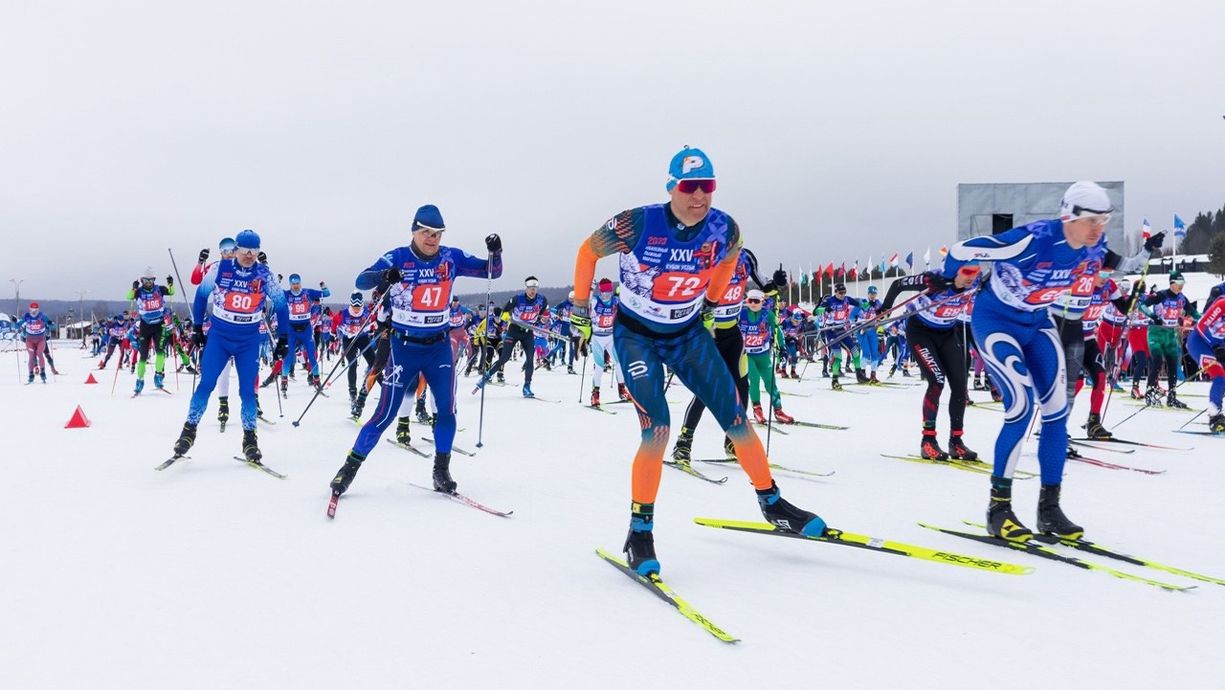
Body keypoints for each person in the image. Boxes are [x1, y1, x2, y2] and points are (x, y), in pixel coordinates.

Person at [570, 146, 824, 576]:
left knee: (735, 417)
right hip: (637, 337)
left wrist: (710, 302)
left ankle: (772, 502)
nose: (699, 196)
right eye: (690, 187)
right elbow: (587, 251)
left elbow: (730, 259)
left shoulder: (725, 228)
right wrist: (580, 307)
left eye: (707, 186)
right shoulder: (637, 222)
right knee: (658, 428)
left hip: (687, 334)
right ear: (672, 187)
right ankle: (640, 531)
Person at [945, 180, 1163, 542]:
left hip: (1037, 322)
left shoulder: (1095, 249)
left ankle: (1049, 509)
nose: (1099, 228)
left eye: (1104, 219)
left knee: (1057, 411)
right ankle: (999, 509)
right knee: (1021, 406)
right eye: (1092, 219)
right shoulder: (1032, 239)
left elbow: (1121, 264)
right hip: (997, 321)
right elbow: (962, 249)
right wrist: (953, 277)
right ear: (1069, 216)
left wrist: (1149, 251)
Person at [329, 205, 502, 500]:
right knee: (384, 414)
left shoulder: (451, 258)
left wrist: (495, 252)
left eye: (436, 234)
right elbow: (362, 280)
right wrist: (386, 275)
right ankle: (349, 468)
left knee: (446, 409)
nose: (432, 239)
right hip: (403, 347)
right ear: (414, 231)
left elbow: (492, 273)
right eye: (426, 233)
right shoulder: (398, 257)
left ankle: (441, 469)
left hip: (438, 349)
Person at [171, 229, 289, 463]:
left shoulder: (264, 274)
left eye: (254, 251)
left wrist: (283, 338)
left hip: (248, 340)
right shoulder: (219, 269)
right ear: (235, 249)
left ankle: (250, 439)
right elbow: (201, 296)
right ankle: (188, 431)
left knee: (247, 391)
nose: (249, 255)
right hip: (220, 337)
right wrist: (196, 328)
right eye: (245, 250)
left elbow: (282, 305)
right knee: (206, 384)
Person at [670, 248, 780, 462]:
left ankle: (733, 440)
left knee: (741, 387)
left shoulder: (746, 257)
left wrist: (777, 283)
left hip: (733, 334)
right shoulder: (703, 257)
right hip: (707, 335)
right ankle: (683, 443)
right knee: (706, 391)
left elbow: (766, 286)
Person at [880, 265, 981, 460]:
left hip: (948, 333)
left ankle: (956, 442)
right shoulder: (934, 279)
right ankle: (928, 441)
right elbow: (897, 284)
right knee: (937, 381)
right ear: (956, 270)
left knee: (960, 385)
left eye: (975, 272)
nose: (971, 277)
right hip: (921, 332)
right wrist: (885, 308)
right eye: (966, 272)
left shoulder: (977, 283)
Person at [475, 276, 547, 397]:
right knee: (505, 358)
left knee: (530, 359)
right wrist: (509, 319)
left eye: (535, 288)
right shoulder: (517, 299)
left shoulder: (542, 300)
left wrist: (539, 320)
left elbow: (540, 314)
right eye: (530, 288)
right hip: (514, 330)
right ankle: (487, 375)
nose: (532, 291)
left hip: (527, 332)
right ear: (526, 288)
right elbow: (504, 311)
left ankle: (527, 387)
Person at [1139, 272, 1199, 408]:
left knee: (1173, 364)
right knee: (1157, 361)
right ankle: (1150, 393)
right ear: (1172, 283)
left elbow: (1193, 312)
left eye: (1182, 285)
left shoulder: (1182, 298)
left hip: (1170, 333)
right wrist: (1153, 316)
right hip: (1156, 332)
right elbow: (1142, 306)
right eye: (1179, 284)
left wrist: (1205, 319)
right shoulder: (1161, 295)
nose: (1181, 287)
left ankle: (1172, 396)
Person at [740, 289, 795, 424]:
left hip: (763, 354)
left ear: (762, 301)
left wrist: (782, 347)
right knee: (754, 380)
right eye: (750, 300)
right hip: (747, 355)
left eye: (756, 301)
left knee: (771, 382)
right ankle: (757, 409)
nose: (752, 304)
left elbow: (778, 331)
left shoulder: (767, 313)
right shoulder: (741, 313)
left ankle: (778, 410)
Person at [127, 268, 176, 395]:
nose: (148, 282)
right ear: (142, 280)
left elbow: (171, 292)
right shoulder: (139, 292)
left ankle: (158, 376)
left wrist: (171, 284)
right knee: (143, 356)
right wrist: (133, 288)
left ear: (154, 280)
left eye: (150, 280)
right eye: (145, 280)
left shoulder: (159, 289)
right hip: (145, 326)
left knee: (160, 352)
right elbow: (129, 297)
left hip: (159, 325)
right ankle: (140, 380)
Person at [280, 274, 330, 393]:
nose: (296, 286)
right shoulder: (287, 294)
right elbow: (273, 293)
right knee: (288, 356)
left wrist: (323, 286)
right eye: (293, 284)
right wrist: (277, 280)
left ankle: (316, 379)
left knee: (312, 356)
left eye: (297, 283)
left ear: (300, 283)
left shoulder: (308, 293)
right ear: (290, 284)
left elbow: (327, 294)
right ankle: (284, 380)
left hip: (306, 329)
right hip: (292, 330)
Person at [1187, 295, 1225, 433]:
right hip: (1199, 343)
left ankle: (1217, 407)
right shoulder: (1222, 304)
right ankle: (1214, 416)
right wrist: (1216, 348)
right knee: (1220, 376)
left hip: (1218, 346)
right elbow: (1202, 325)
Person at [817, 283, 862, 388]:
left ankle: (859, 375)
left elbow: (860, 304)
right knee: (838, 356)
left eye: (844, 292)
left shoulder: (847, 299)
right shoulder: (829, 301)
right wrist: (824, 309)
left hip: (841, 329)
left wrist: (870, 305)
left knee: (855, 351)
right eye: (840, 293)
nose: (842, 295)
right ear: (836, 292)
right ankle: (835, 380)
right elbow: (815, 311)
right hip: (831, 330)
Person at [587, 278, 623, 406]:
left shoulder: (615, 301)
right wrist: (591, 288)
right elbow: (587, 304)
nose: (606, 295)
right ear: (600, 291)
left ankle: (622, 390)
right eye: (604, 292)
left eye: (609, 292)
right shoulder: (596, 300)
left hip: (610, 337)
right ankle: (595, 394)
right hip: (597, 338)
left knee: (619, 364)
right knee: (600, 367)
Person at [16, 303, 54, 383]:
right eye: (32, 310)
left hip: (41, 339)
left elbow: (52, 325)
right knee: (31, 355)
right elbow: (17, 325)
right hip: (30, 340)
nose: (33, 312)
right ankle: (31, 374)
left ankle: (42, 372)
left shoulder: (42, 316)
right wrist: (15, 321)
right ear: (29, 309)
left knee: (39, 353)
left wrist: (50, 323)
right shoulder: (26, 316)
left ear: (38, 310)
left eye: (35, 310)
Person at [855, 285, 884, 384]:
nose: (872, 296)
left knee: (875, 354)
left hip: (872, 330)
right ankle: (862, 375)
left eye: (874, 294)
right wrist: (862, 325)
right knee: (866, 353)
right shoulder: (863, 302)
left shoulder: (878, 303)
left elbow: (883, 315)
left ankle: (873, 375)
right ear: (868, 294)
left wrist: (881, 321)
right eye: (871, 294)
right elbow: (858, 316)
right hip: (862, 329)